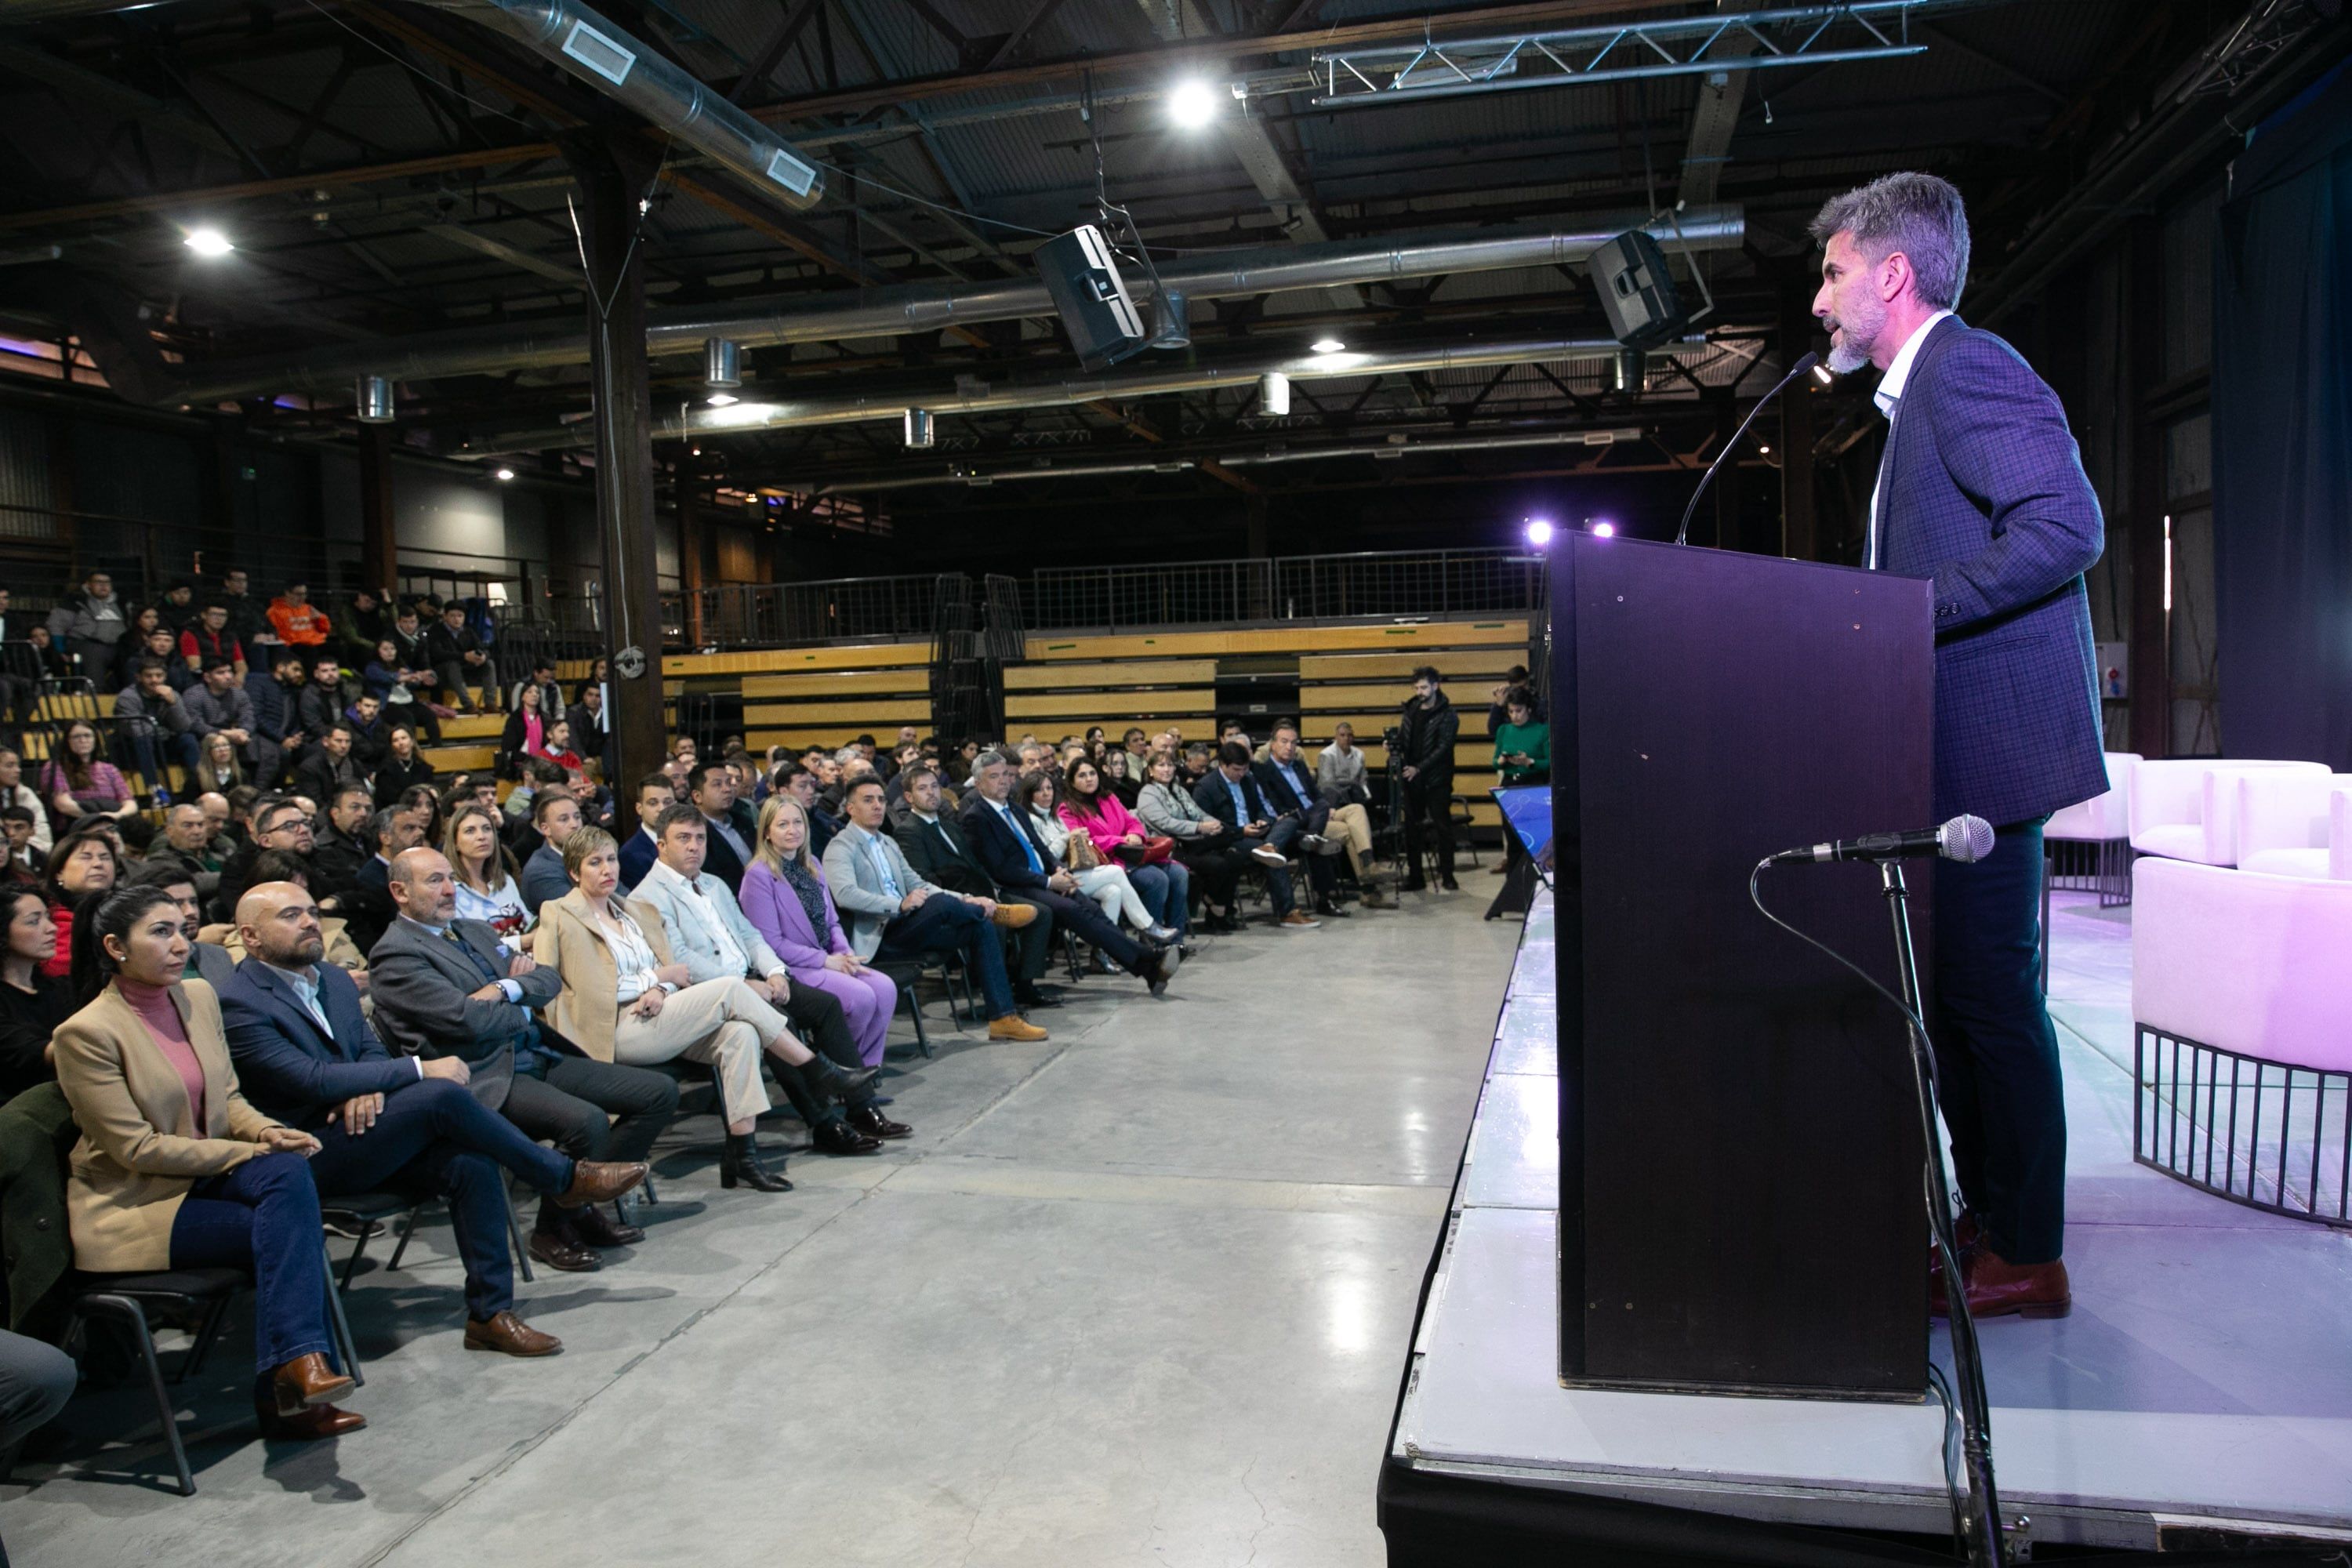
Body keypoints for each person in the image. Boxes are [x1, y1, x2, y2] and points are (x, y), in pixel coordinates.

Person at [1811, 172, 2105, 1319]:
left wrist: (1907, 611)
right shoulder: (1917, 397)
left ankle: (2029, 1254)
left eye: (1833, 276)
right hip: (1948, 761)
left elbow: (2066, 526)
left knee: (1989, 1008)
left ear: (1891, 275)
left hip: (1988, 758)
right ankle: (1992, 1213)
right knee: (1960, 1009)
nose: (1821, 303)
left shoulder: (1966, 368)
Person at [221, 881, 643, 1345]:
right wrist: (419, 1069)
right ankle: (562, 1177)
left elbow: (367, 1052)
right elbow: (310, 1080)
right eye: (289, 916)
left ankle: (489, 1315)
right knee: (439, 1094)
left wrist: (367, 1087)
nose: (308, 922)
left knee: (471, 1163)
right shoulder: (239, 1000)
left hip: (368, 1125)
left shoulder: (334, 979)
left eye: (309, 911)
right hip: (306, 1152)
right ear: (250, 936)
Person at [53, 884, 363, 1440]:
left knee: (287, 1181)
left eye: (181, 929)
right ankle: (293, 1382)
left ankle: (298, 1372)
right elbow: (137, 1150)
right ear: (115, 947)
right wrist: (250, 1150)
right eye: (160, 932)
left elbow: (230, 1098)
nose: (180, 943)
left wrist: (269, 1130)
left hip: (205, 1181)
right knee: (289, 1217)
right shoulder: (86, 1034)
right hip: (139, 1202)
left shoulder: (198, 997)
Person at [368, 848, 678, 1268]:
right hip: (483, 1073)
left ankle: (577, 1209)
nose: (448, 890)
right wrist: (519, 998)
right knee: (585, 1122)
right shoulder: (396, 954)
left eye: (449, 879)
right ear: (399, 892)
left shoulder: (474, 930)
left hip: (535, 1051)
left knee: (657, 1093)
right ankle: (552, 1230)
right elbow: (466, 1022)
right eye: (433, 881)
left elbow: (547, 978)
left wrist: (504, 990)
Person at [535, 826, 876, 1192]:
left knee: (740, 1033)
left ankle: (743, 1156)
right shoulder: (559, 914)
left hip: (657, 1015)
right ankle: (815, 1069)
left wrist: (661, 987)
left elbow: (672, 970)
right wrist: (654, 979)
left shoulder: (631, 910)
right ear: (574, 872)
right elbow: (574, 986)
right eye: (595, 863)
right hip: (611, 1027)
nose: (608, 870)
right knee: (732, 988)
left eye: (612, 860)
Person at [630, 806, 899, 1152]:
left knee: (826, 1006)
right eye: (683, 839)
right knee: (778, 1024)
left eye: (700, 838)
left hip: (752, 976)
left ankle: (862, 1107)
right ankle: (825, 1124)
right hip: (709, 993)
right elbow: (680, 958)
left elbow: (750, 935)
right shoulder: (647, 896)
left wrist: (774, 971)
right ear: (662, 845)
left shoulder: (713, 884)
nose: (695, 846)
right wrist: (743, 985)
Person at [822, 778, 1054, 1040]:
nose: (877, 806)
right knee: (940, 904)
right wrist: (898, 904)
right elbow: (845, 895)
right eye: (868, 800)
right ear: (850, 808)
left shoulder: (887, 843)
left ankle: (1002, 1018)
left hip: (909, 925)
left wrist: (968, 898)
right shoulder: (840, 846)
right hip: (880, 937)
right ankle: (997, 912)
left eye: (881, 799)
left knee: (981, 927)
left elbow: (919, 884)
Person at [957, 753, 1185, 990]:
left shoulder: (1014, 809)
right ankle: (1148, 959)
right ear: (978, 783)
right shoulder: (977, 817)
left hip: (1043, 878)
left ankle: (1146, 967)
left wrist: (1059, 871)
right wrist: (1048, 881)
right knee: (1074, 909)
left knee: (1092, 909)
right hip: (1014, 886)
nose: (1003, 781)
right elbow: (1000, 869)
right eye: (994, 776)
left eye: (1005, 774)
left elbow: (1041, 848)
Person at [742, 795, 903, 1077]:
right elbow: (770, 944)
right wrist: (826, 961)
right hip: (793, 967)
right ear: (767, 832)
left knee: (886, 988)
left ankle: (865, 1072)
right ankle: (837, 1069)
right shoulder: (758, 876)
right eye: (782, 824)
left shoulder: (812, 863)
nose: (793, 830)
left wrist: (844, 953)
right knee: (863, 997)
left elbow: (831, 922)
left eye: (797, 823)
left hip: (829, 958)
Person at [891, 765, 1057, 1011]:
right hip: (953, 901)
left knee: (1042, 913)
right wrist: (967, 897)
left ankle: (1024, 983)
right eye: (923, 789)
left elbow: (976, 865)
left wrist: (993, 889)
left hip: (984, 891)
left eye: (935, 787)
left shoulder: (950, 826)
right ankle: (992, 995)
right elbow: (924, 878)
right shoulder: (908, 831)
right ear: (909, 797)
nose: (932, 793)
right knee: (992, 924)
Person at [1025, 768, 1172, 942]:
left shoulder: (1053, 817)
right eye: (1040, 790)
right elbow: (1044, 857)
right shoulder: (1030, 819)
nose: (1046, 794)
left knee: (1113, 891)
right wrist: (1068, 837)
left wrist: (1133, 835)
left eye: (1049, 788)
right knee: (1119, 873)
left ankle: (1103, 951)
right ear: (1029, 795)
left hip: (1073, 871)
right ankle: (1148, 927)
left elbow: (1132, 822)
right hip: (1054, 880)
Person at [1192, 742, 1318, 930]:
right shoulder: (1206, 787)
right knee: (1276, 856)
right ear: (1223, 765)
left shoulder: (1248, 780)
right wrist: (1241, 831)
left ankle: (1272, 845)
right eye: (1237, 769)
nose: (1241, 773)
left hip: (1257, 833)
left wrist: (1263, 821)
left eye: (1245, 769)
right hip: (1232, 837)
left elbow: (1261, 809)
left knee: (1290, 821)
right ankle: (1287, 911)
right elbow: (1208, 826)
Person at [1258, 722, 1377, 914]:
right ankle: (1368, 888)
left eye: (1293, 742)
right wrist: (1318, 811)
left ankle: (1367, 860)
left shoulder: (1298, 766)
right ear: (1272, 744)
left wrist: (1326, 808)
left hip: (1319, 815)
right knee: (1347, 831)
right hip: (1299, 821)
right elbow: (1278, 807)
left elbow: (1316, 793)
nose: (1289, 747)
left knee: (1356, 809)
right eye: (1284, 742)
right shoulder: (1265, 772)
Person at [1135, 750, 1252, 935]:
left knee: (1236, 857)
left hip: (1195, 843)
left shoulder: (1178, 789)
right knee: (1219, 864)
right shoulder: (1148, 794)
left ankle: (1216, 904)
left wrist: (1213, 824)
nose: (1167, 769)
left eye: (1170, 765)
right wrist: (1199, 827)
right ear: (1150, 770)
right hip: (1172, 849)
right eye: (1161, 765)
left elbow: (1197, 812)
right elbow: (1166, 823)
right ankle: (1215, 907)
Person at [0, 887, 69, 1101]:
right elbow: (39, 1052)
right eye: (33, 921)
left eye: (48, 918)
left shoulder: (61, 988)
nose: (52, 929)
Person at [1396, 666, 1461, 892]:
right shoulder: (1411, 709)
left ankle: (1448, 875)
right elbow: (1406, 739)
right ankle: (1416, 876)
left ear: (1435, 686)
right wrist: (1394, 745)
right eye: (1416, 687)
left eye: (1423, 687)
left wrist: (1419, 768)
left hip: (1437, 778)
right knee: (1412, 829)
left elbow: (1443, 748)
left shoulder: (1448, 715)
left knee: (1443, 827)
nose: (1419, 691)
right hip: (1412, 777)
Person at [445, 800, 529, 938]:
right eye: (470, 831)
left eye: (487, 828)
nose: (482, 837)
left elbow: (530, 924)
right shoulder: (448, 890)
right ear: (455, 843)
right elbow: (463, 944)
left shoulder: (506, 881)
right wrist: (522, 942)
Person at [41, 830, 118, 977]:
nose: (98, 864)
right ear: (59, 872)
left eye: (105, 857)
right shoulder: (45, 916)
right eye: (86, 857)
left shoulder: (127, 913)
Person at [38, 720, 136, 829]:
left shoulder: (109, 769)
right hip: (78, 824)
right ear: (67, 741)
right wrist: (97, 819)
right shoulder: (55, 767)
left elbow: (130, 803)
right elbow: (64, 805)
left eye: (87, 736)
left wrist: (116, 816)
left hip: (112, 820)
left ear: (95, 740)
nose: (83, 740)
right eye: (76, 737)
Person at [46, 570, 130, 691]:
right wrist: (60, 649)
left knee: (133, 659)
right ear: (88, 585)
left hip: (118, 645)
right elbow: (56, 625)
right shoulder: (75, 601)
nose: (103, 585)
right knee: (95, 653)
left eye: (107, 582)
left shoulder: (121, 603)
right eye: (98, 582)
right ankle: (95, 696)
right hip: (85, 643)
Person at [687, 761, 755, 893]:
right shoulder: (694, 832)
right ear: (697, 796)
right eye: (717, 784)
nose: (727, 789)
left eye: (729, 783)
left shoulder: (744, 821)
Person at [363, 637, 441, 745]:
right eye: (385, 649)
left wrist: (420, 678)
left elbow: (414, 682)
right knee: (407, 717)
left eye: (392, 649)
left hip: (408, 702)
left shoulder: (401, 665)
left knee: (429, 715)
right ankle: (412, 749)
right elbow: (385, 677)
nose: (390, 652)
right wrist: (403, 676)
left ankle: (437, 747)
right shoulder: (372, 667)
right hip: (388, 705)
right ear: (378, 651)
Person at [519, 790, 581, 916]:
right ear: (545, 829)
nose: (574, 824)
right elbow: (576, 913)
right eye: (564, 819)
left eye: (577, 817)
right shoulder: (540, 870)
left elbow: (623, 897)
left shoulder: (591, 854)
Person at [425, 603, 489, 713]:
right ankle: (468, 704)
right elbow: (438, 654)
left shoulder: (468, 631)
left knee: (489, 664)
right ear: (445, 616)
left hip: (464, 670)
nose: (457, 619)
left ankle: (490, 703)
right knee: (452, 664)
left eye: (460, 616)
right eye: (453, 616)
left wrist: (483, 656)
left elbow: (483, 648)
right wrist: (464, 656)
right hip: (442, 672)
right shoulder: (435, 631)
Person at [292, 721, 363, 811]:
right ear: (325, 741)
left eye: (347, 741)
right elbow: (315, 803)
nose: (344, 746)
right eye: (338, 741)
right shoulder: (310, 768)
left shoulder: (355, 764)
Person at [266, 582, 332, 669]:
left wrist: (320, 618)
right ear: (287, 593)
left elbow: (325, 629)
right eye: (298, 594)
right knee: (309, 651)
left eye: (304, 594)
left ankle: (346, 674)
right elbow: (275, 632)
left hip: (314, 642)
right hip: (293, 644)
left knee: (336, 648)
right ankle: (312, 678)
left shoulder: (308, 608)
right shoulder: (274, 611)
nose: (302, 597)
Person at [0, 749, 50, 857]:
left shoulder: (25, 794)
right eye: (10, 766)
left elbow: (42, 835)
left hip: (22, 856)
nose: (18, 770)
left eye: (18, 765)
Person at [193, 728, 245, 797]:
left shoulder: (242, 774)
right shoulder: (197, 776)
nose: (222, 750)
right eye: (217, 746)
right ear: (208, 752)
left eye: (225, 745)